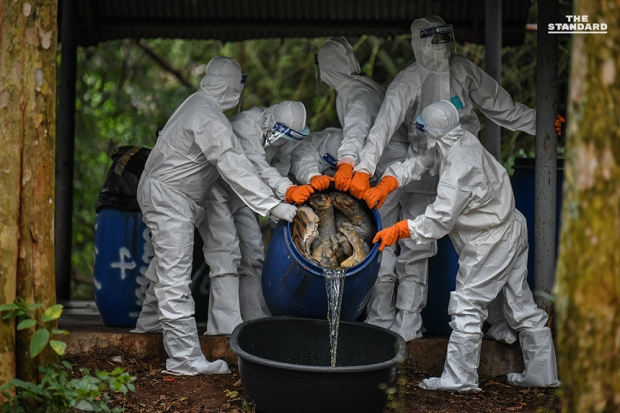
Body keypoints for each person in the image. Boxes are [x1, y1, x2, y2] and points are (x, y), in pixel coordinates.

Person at [349, 15, 565, 343]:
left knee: (483, 248)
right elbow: (383, 128)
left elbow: (501, 107)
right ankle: (409, 321)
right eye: (433, 42)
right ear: (418, 44)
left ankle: (501, 322)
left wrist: (542, 121)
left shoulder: (462, 70)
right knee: (416, 249)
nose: (441, 49)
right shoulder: (407, 81)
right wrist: (365, 171)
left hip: (464, 176)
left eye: (444, 40)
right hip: (425, 172)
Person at [369, 100, 560, 392]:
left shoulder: (459, 167)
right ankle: (543, 374)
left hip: (491, 239)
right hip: (509, 227)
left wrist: (402, 228)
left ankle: (459, 379)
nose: (421, 134)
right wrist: (389, 182)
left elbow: (441, 218)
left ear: (433, 132)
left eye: (423, 129)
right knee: (519, 304)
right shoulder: (460, 140)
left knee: (468, 305)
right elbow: (422, 161)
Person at [131, 56, 298, 376]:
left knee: (164, 266)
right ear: (233, 89)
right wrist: (273, 205)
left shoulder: (197, 104)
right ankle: (184, 360)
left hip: (173, 196)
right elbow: (234, 165)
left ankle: (148, 327)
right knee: (175, 276)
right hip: (170, 197)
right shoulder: (209, 118)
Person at [315, 37, 414, 337]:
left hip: (384, 175)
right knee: (394, 245)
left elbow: (357, 130)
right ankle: (394, 318)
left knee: (381, 244)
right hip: (390, 172)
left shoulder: (355, 92)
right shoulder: (365, 86)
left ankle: (382, 318)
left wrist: (347, 163)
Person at [202, 100, 313, 336]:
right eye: (282, 136)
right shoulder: (245, 126)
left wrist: (282, 204)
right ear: (270, 123)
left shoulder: (284, 138)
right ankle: (223, 330)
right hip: (216, 187)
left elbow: (280, 166)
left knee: (253, 253)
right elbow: (256, 166)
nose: (283, 143)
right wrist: (284, 193)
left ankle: (254, 321)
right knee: (225, 250)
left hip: (246, 194)